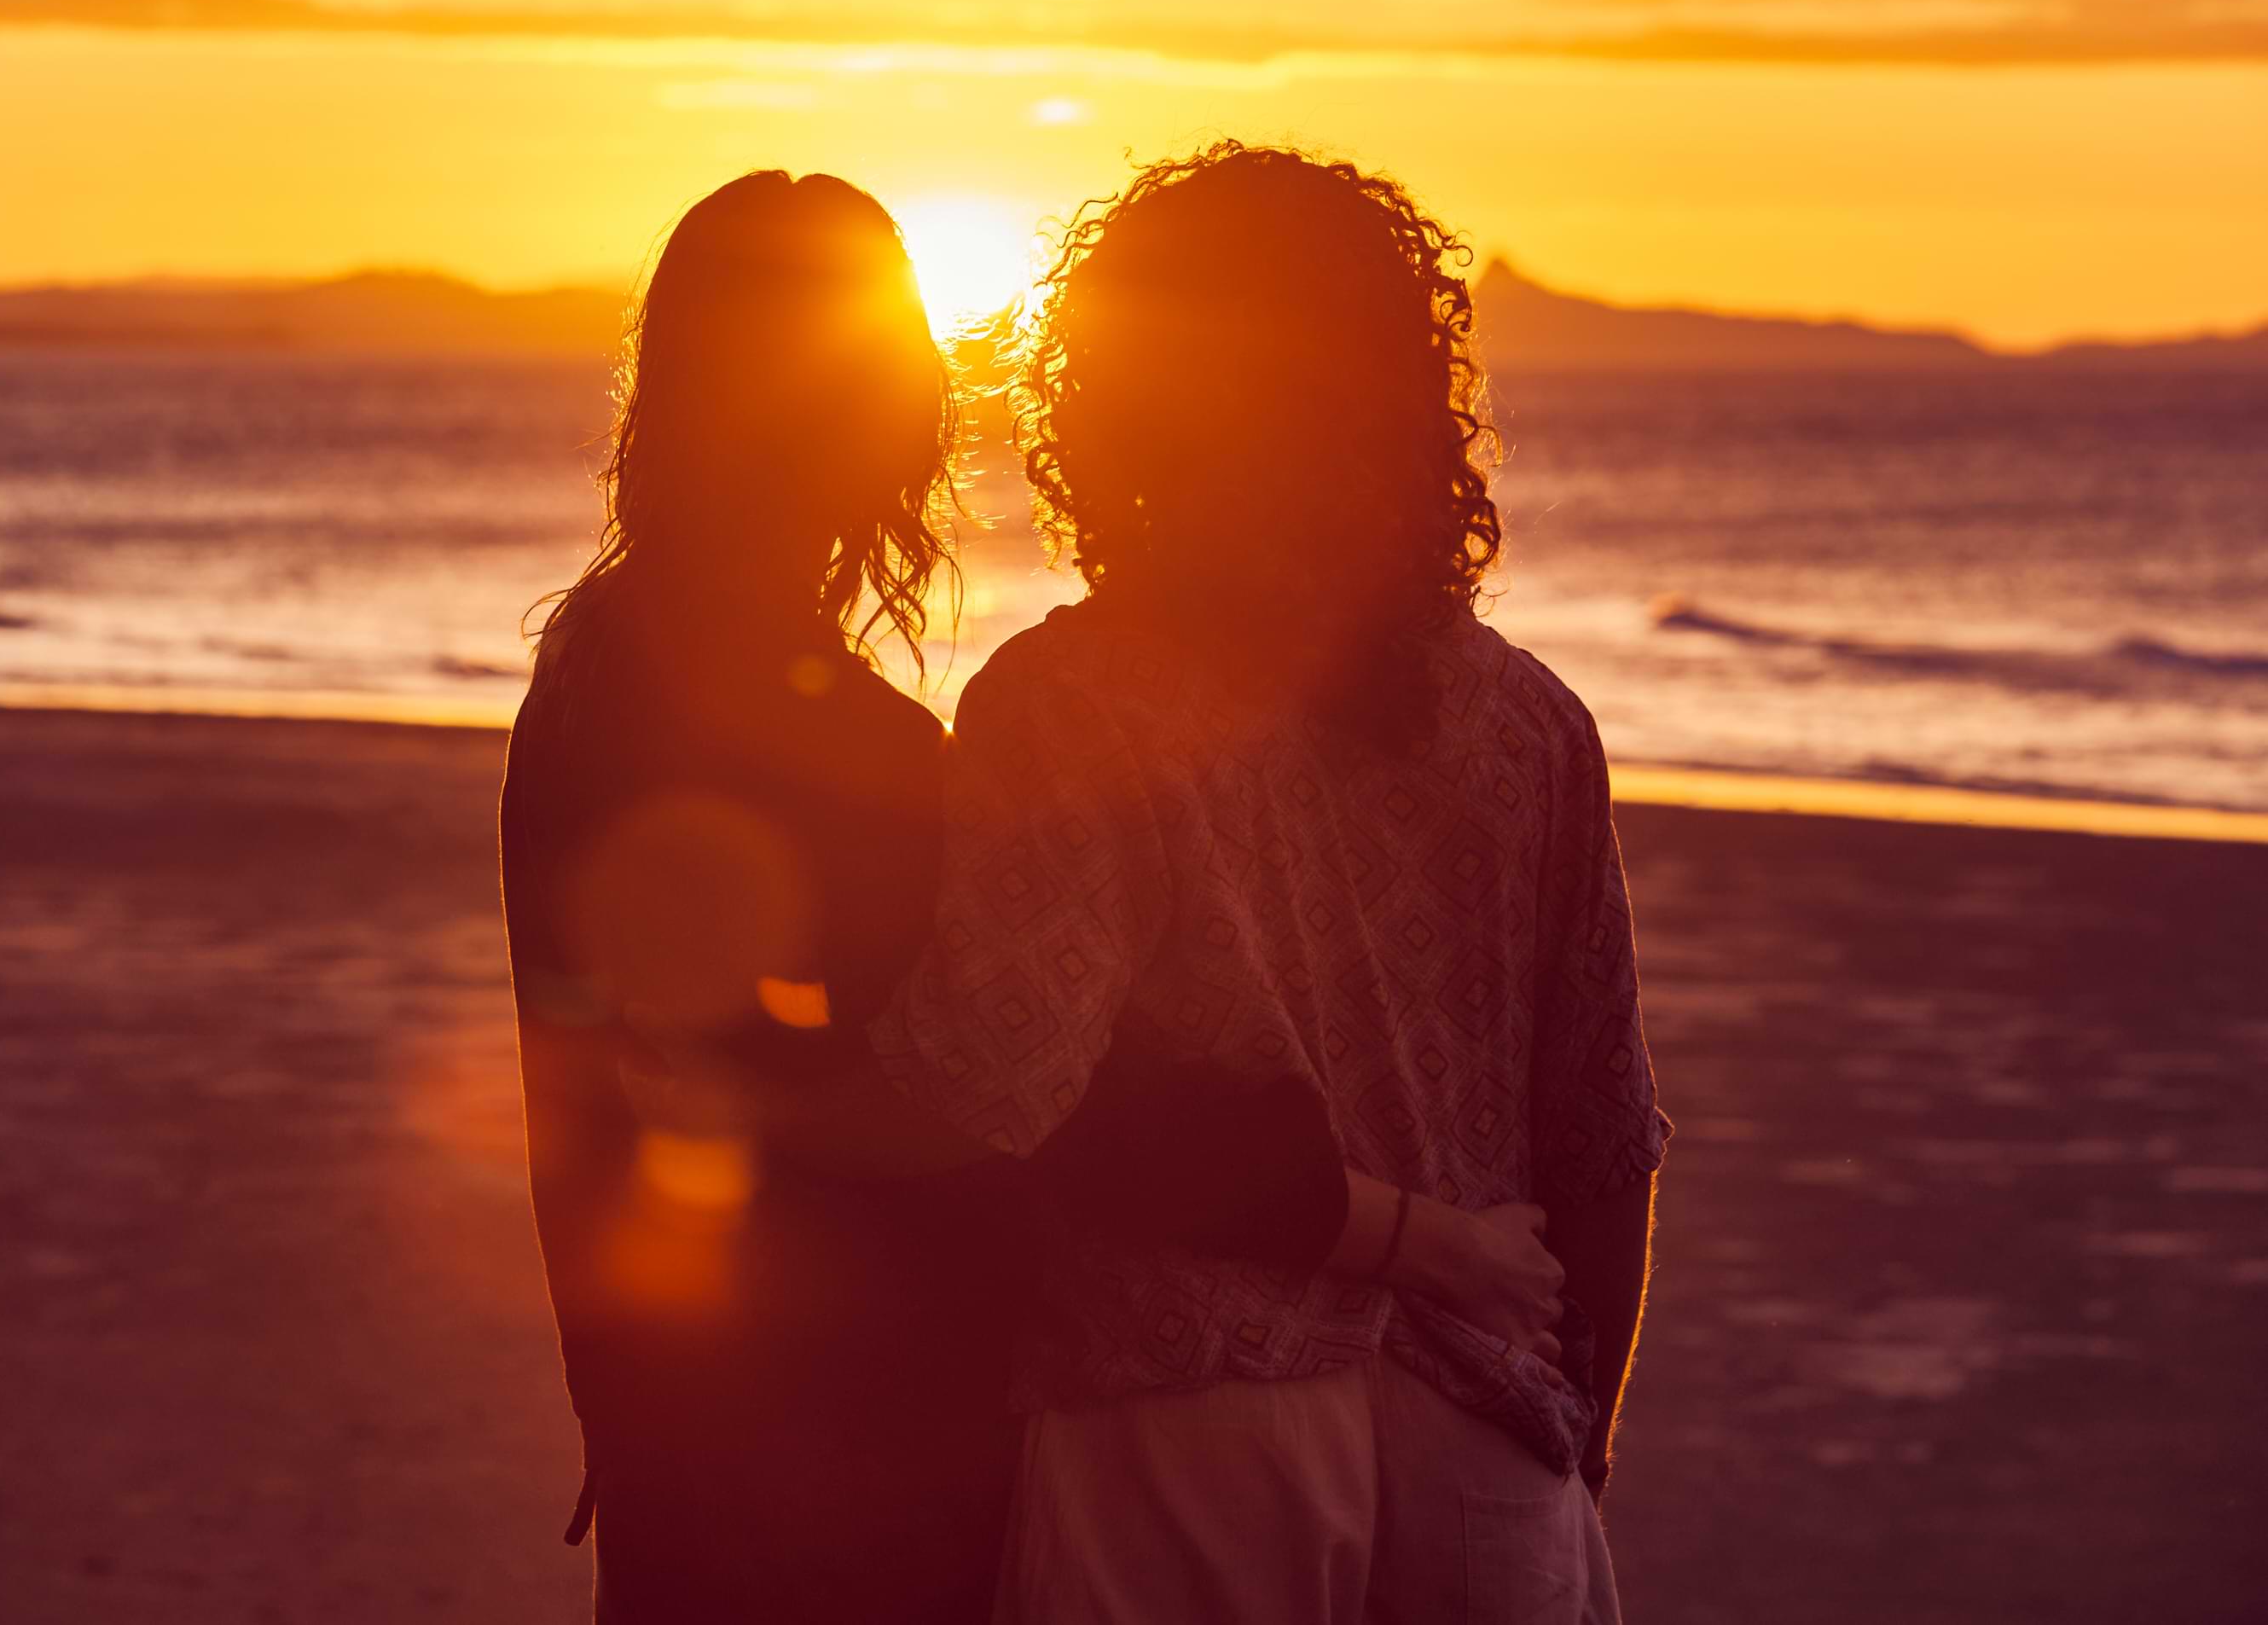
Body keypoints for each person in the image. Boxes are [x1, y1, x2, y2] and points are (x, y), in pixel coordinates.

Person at [500, 170, 1572, 1623]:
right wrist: (1406, 1233)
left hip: (688, 1390)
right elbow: (995, 1095)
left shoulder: (606, 664)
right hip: (838, 1416)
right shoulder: (801, 730)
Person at [873, 143, 1668, 1622]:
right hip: (1488, 1423)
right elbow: (1605, 1138)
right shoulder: (1529, 722)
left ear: (1114, 403)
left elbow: (985, 1096)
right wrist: (1577, 1441)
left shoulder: (1075, 702)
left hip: (1184, 1412)